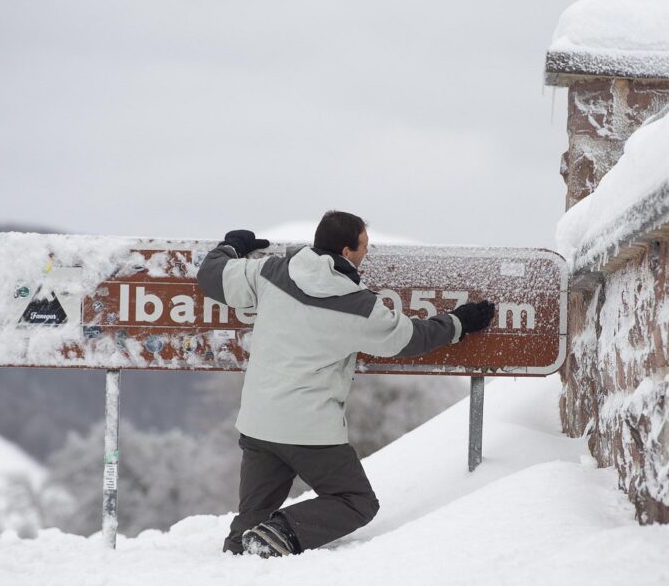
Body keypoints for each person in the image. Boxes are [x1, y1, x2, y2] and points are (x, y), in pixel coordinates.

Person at [197, 211, 495, 557]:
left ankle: (240, 558)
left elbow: (212, 276)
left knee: (251, 524)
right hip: (308, 430)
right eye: (365, 246)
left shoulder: (272, 272)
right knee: (356, 501)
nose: (367, 252)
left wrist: (232, 246)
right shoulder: (357, 305)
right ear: (346, 250)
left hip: (258, 423)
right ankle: (280, 533)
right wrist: (460, 322)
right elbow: (410, 338)